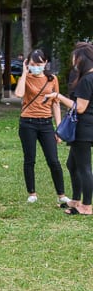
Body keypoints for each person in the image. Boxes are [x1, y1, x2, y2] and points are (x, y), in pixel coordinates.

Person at [14, 49, 70, 206]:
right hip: (27, 123)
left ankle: (61, 195)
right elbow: (18, 94)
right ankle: (32, 193)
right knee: (29, 159)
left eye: (39, 64)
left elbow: (56, 103)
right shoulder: (26, 78)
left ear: (45, 63)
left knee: (53, 160)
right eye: (32, 64)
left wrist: (59, 129)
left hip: (46, 123)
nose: (36, 67)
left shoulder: (52, 79)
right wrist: (25, 73)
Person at [44, 42, 93, 216]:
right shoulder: (86, 77)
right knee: (72, 164)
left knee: (84, 167)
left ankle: (87, 206)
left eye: (75, 57)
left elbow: (80, 107)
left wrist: (58, 96)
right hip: (84, 127)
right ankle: (76, 200)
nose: (73, 60)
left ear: (82, 59)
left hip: (84, 128)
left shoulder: (87, 79)